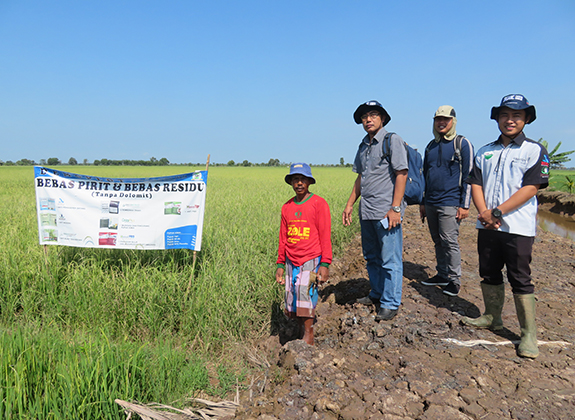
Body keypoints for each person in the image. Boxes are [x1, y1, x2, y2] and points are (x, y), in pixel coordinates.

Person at [461, 94, 549, 359]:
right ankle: (492, 317)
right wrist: (484, 213)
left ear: (526, 119)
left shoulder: (534, 150)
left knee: (520, 278)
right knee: (488, 271)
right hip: (487, 226)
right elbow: (475, 183)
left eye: (516, 116)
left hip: (518, 227)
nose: (510, 120)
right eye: (505, 115)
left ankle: (528, 335)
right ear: (497, 118)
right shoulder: (485, 151)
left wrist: (498, 211)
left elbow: (532, 187)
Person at [342, 100, 408, 321]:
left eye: (372, 115)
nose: (368, 120)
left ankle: (390, 303)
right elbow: (361, 177)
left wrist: (395, 208)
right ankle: (377, 293)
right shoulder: (363, 146)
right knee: (371, 256)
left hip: (386, 211)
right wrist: (350, 204)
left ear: (382, 119)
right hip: (367, 211)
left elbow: (401, 174)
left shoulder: (392, 141)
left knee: (390, 259)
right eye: (364, 117)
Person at [420, 106, 474, 297]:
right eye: (437, 119)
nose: (441, 123)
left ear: (453, 121)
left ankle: (454, 280)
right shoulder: (430, 146)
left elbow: (469, 175)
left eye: (445, 119)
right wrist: (422, 202)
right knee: (437, 241)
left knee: (449, 241)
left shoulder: (462, 144)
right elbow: (425, 175)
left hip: (451, 202)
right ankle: (442, 274)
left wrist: (465, 205)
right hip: (431, 202)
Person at [276, 163, 332, 345]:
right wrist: (279, 264)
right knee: (292, 297)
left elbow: (325, 235)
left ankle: (309, 335)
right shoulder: (287, 207)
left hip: (310, 258)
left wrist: (325, 263)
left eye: (302, 179)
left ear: (309, 182)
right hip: (291, 259)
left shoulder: (319, 204)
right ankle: (300, 331)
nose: (299, 183)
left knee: (306, 296)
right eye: (295, 179)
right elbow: (283, 237)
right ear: (291, 182)